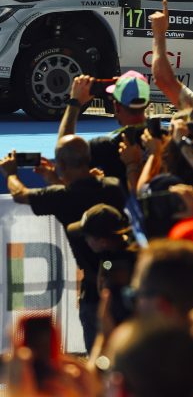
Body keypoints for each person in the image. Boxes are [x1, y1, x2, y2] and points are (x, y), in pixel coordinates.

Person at [0, 135, 126, 351]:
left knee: (99, 354)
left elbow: (20, 194)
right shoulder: (113, 187)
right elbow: (79, 194)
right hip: (124, 281)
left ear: (62, 165)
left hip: (94, 292)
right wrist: (55, 178)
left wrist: (10, 173)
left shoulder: (62, 197)